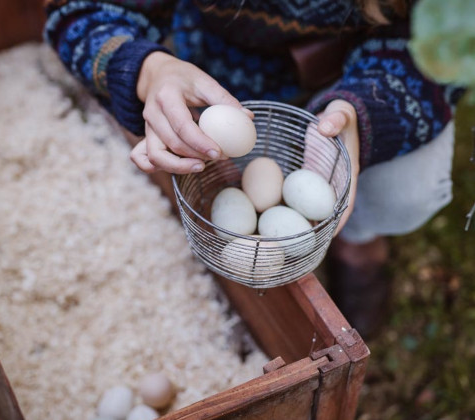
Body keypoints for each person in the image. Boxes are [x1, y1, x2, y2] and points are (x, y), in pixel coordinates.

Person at [43, 0, 462, 338]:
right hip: (219, 83)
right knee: (238, 179)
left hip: (368, 74)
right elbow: (77, 11)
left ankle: (358, 239)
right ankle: (321, 228)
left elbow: (453, 45)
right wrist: (147, 69)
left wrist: (363, 110)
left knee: (408, 189)